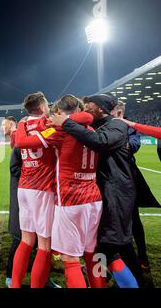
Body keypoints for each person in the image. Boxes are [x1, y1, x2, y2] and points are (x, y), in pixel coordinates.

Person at [17, 95, 106, 288]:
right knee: (92, 253)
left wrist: (22, 126)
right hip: (94, 198)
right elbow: (87, 118)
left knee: (70, 260)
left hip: (71, 200)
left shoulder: (61, 130)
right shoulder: (91, 129)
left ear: (60, 113)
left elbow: (24, 143)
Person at [52, 94, 140, 288]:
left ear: (100, 108)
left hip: (112, 195)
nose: (86, 107)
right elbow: (89, 126)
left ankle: (135, 282)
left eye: (90, 104)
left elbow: (99, 141)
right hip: (97, 196)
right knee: (100, 252)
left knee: (113, 250)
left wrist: (61, 122)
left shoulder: (116, 125)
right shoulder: (92, 126)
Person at [11, 91, 56, 288]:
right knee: (44, 245)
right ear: (42, 107)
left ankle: (15, 284)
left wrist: (21, 124)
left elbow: (18, 141)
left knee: (26, 240)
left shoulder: (22, 126)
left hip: (24, 186)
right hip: (42, 188)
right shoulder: (49, 125)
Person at [112, 102, 159, 279]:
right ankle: (114, 260)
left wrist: (119, 145)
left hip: (128, 181)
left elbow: (134, 144)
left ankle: (142, 257)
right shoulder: (105, 126)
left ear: (120, 112)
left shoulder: (128, 127)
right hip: (108, 181)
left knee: (134, 220)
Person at [2, 116, 22, 288]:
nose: (2, 128)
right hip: (24, 189)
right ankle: (11, 275)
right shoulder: (17, 137)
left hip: (28, 191)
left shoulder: (17, 134)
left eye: (3, 124)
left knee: (23, 236)